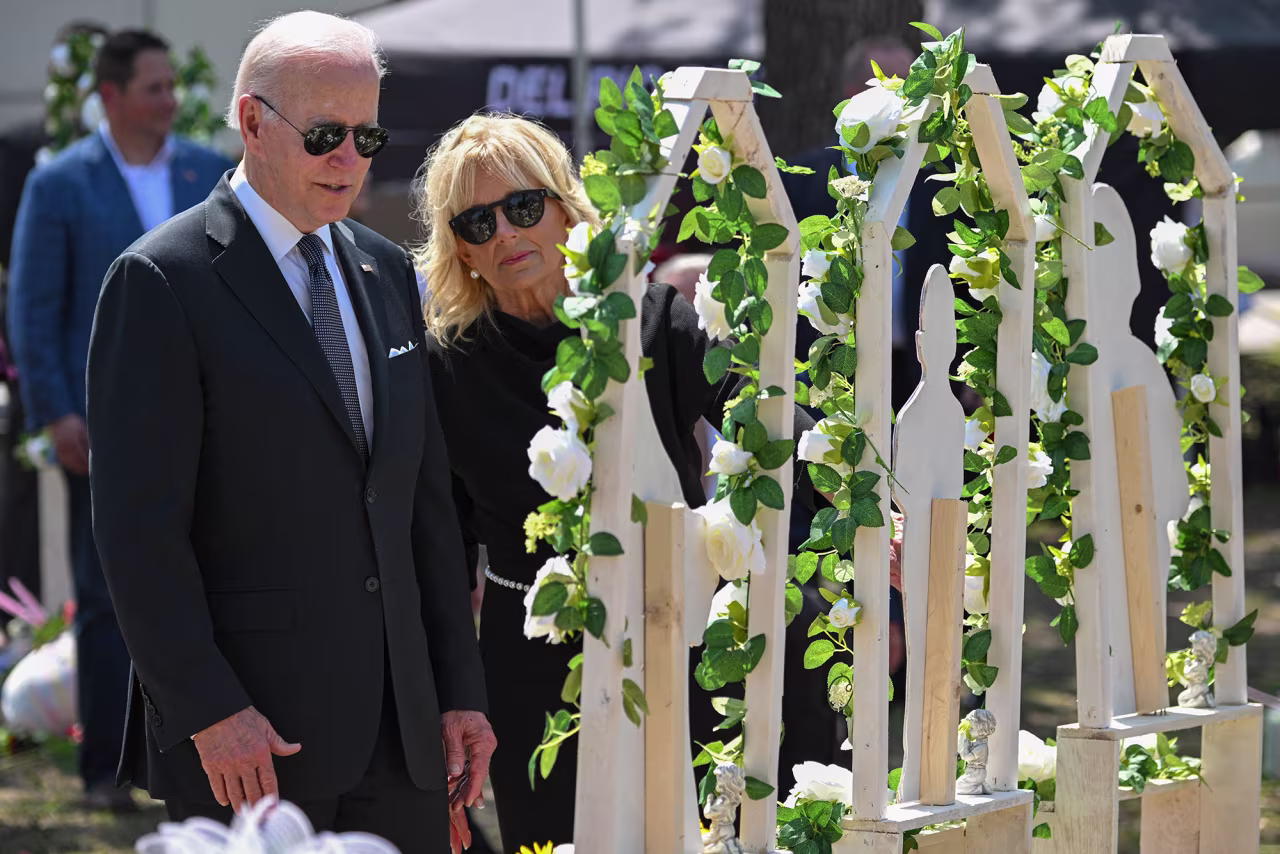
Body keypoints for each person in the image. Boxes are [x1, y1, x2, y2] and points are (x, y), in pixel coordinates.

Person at [415, 113, 900, 850]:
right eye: (477, 223)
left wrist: (867, 500)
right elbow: (441, 554)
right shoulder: (445, 366)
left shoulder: (645, 316)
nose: (506, 236)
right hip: (532, 662)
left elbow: (757, 411)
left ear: (564, 207)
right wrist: (452, 703)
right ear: (459, 248)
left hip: (675, 633)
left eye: (522, 208)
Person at [85, 12, 494, 851]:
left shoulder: (384, 270)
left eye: (368, 134)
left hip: (402, 737)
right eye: (324, 135)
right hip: (254, 739)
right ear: (252, 123)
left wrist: (459, 690)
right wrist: (207, 709)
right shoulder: (161, 280)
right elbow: (137, 532)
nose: (350, 159)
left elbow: (422, 506)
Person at [6, 27, 232, 811]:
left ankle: (199, 766)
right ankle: (105, 769)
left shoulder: (211, 170)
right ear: (109, 95)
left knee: (210, 588)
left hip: (208, 428)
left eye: (173, 86)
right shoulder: (62, 183)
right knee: (106, 599)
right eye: (154, 88)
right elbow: (33, 308)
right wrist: (56, 411)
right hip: (100, 433)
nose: (171, 99)